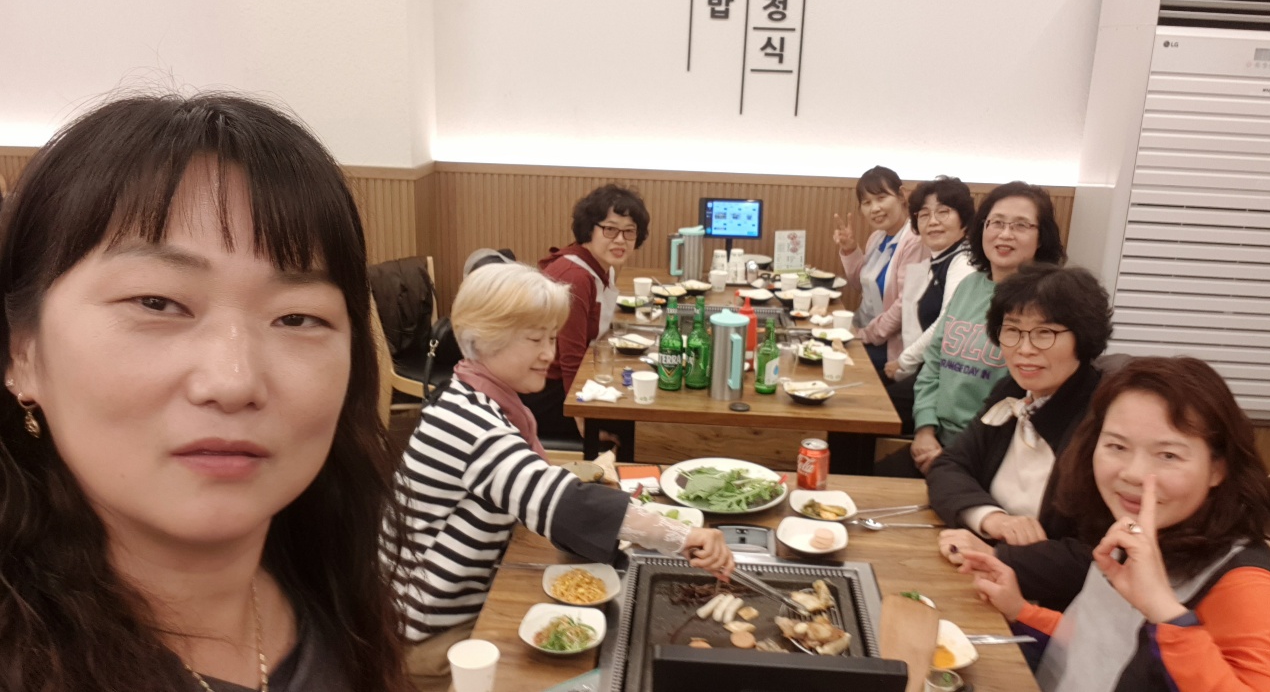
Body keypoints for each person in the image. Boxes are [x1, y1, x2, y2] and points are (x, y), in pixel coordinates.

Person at [0, 94, 411, 691]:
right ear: (22, 352)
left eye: (297, 317)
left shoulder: (330, 583)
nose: (234, 381)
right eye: (157, 302)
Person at [394, 262, 734, 690]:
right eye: (535, 339)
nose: (549, 354)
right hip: (430, 635)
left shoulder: (476, 397)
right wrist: (680, 535)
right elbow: (563, 504)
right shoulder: (469, 423)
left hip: (457, 602)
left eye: (552, 338)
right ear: (486, 338)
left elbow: (535, 483)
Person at [960, 357, 1270, 691]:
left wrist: (1165, 612)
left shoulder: (1247, 585)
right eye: (1117, 446)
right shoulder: (1134, 531)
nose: (1134, 474)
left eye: (1168, 455)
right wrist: (1020, 609)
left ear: (1218, 468)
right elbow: (1105, 646)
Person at [928, 264, 1111, 609]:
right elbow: (949, 465)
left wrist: (998, 556)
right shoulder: (1012, 390)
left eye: (1044, 333)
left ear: (1083, 337)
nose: (1024, 348)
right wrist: (993, 520)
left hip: (1052, 611)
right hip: (980, 580)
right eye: (1012, 330)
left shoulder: (1104, 423)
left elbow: (1101, 557)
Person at [902, 181, 1067, 476]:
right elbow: (934, 362)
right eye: (997, 223)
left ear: (1041, 237)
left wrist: (958, 455)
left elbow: (1030, 401)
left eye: (1020, 225)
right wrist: (924, 429)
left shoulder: (1047, 303)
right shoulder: (970, 286)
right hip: (936, 441)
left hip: (991, 456)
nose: (1005, 234)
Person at [523, 184, 650, 442]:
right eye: (610, 229)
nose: (620, 239)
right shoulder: (575, 277)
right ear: (589, 229)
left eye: (629, 231)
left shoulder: (603, 267)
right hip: (542, 391)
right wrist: (582, 419)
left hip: (565, 381)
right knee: (634, 422)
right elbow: (570, 359)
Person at [882, 176, 977, 431]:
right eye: (924, 215)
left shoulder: (964, 262)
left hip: (949, 377)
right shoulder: (942, 260)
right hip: (932, 368)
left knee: (876, 408)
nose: (932, 221)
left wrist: (904, 361)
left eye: (943, 212)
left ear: (964, 219)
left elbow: (946, 324)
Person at [832, 165, 927, 375]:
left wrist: (865, 335)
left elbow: (904, 306)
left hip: (890, 346)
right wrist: (849, 249)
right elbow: (860, 285)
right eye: (867, 202)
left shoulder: (915, 241)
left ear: (901, 195)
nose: (874, 208)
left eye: (881, 198)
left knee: (831, 361)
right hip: (864, 329)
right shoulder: (877, 237)